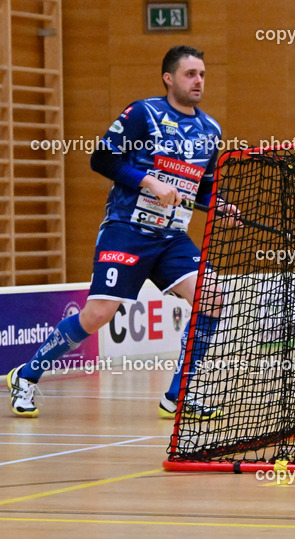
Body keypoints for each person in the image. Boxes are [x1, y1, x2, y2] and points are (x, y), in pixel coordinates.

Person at [6, 45, 233, 419]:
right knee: (98, 314)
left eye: (202, 75)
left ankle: (178, 394)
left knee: (212, 297)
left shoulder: (210, 129)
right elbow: (102, 158)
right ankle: (27, 375)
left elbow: (203, 187)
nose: (198, 81)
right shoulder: (144, 113)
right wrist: (149, 183)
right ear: (169, 78)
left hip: (172, 238)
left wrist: (219, 204)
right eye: (190, 74)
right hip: (126, 230)